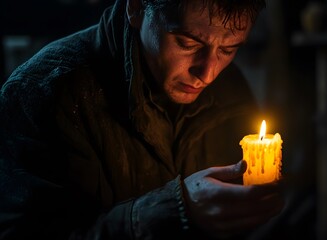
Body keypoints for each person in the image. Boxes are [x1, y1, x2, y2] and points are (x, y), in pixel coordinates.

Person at [0, 0, 290, 239]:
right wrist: (173, 209)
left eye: (228, 49)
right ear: (137, 8)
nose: (208, 73)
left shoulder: (230, 90)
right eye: (187, 43)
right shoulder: (45, 93)